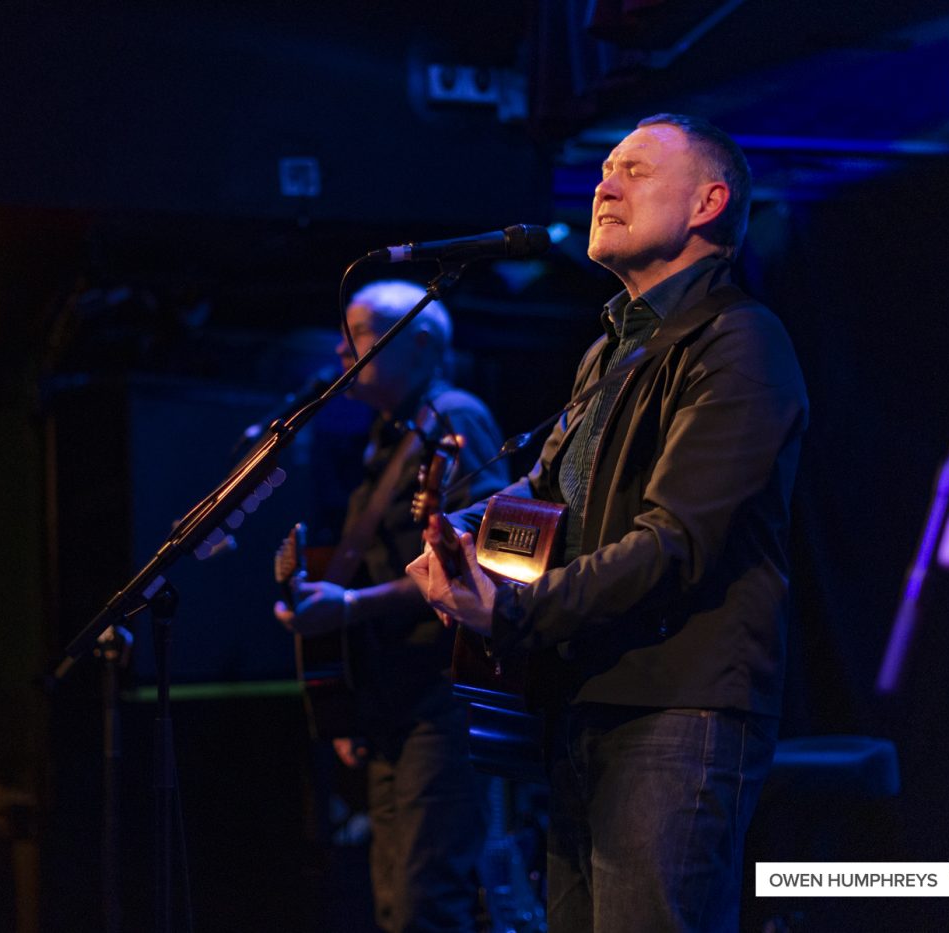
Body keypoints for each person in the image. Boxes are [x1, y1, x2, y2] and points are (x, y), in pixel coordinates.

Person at [409, 114, 809, 932]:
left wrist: (514, 608)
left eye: (633, 169)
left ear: (709, 202)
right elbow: (543, 501)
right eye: (602, 171)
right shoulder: (610, 351)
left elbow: (675, 541)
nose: (603, 184)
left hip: (676, 705)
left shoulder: (739, 341)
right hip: (585, 700)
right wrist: (459, 538)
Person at [274, 280, 509, 932]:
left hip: (441, 698)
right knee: (393, 899)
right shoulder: (390, 436)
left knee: (423, 899)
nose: (342, 348)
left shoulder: (454, 419)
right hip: (393, 699)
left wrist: (349, 607)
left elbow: (483, 561)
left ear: (424, 343)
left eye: (362, 332)